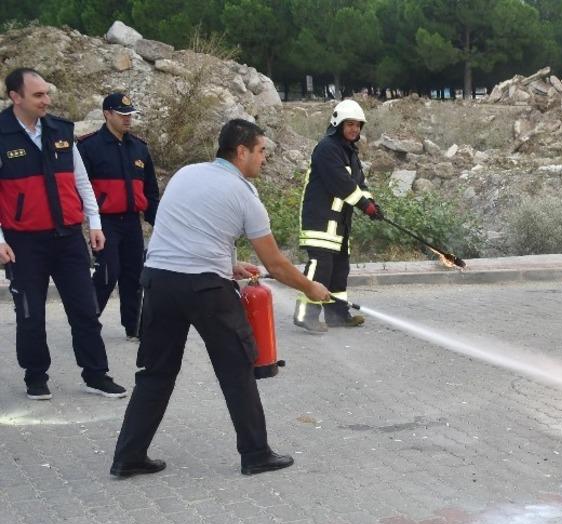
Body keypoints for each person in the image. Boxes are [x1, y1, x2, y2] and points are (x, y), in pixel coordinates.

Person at [110, 119, 332, 478]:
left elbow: (188, 227)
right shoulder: (244, 194)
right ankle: (256, 454)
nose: (264, 159)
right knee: (237, 369)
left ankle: (128, 456)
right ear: (240, 151)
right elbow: (274, 263)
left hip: (159, 282)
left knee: (154, 372)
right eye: (261, 152)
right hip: (205, 290)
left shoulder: (186, 174)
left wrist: (227, 263)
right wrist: (310, 288)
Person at [0, 67, 127, 401]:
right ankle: (36, 376)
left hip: (68, 237)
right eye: (38, 95)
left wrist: (94, 224)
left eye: (47, 93)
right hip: (23, 242)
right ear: (16, 97)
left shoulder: (60, 130)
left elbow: (81, 181)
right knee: (31, 314)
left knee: (85, 310)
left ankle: (96, 374)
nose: (47, 100)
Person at [293, 99, 381, 333]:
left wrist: (371, 203)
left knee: (339, 269)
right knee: (320, 268)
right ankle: (305, 314)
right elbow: (341, 184)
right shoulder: (327, 148)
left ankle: (337, 315)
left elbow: (359, 183)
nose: (354, 129)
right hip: (320, 221)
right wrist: (364, 206)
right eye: (349, 124)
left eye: (358, 125)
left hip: (339, 224)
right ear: (337, 124)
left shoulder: (350, 152)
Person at [78, 92, 160, 342]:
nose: (127, 119)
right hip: (104, 223)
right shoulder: (88, 146)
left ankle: (133, 326)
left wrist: (157, 221)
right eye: (122, 115)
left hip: (132, 222)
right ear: (107, 114)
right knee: (107, 273)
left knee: (134, 276)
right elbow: (79, 188)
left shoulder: (139, 147)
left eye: (130, 115)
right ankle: (87, 324)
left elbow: (150, 190)